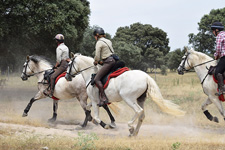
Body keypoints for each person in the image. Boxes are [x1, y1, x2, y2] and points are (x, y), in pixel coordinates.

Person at [93, 27, 116, 106]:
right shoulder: (108, 41)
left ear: (97, 35)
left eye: (94, 36)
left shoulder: (99, 42)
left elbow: (97, 55)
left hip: (108, 62)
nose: (94, 38)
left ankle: (103, 97)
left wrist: (96, 61)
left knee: (96, 79)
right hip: (113, 60)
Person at [212, 21, 225, 95]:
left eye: (213, 31)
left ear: (216, 30)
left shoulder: (219, 36)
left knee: (217, 72)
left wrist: (216, 55)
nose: (213, 33)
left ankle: (222, 89)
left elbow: (218, 49)